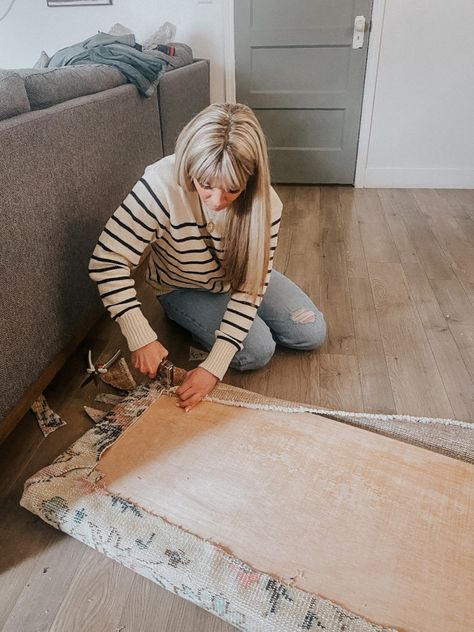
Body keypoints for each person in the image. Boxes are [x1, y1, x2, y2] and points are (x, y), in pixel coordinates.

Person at [89, 103, 326, 412]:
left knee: (311, 332)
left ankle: (228, 329)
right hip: (182, 287)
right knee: (257, 351)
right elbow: (107, 260)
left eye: (232, 191)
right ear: (190, 167)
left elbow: (250, 288)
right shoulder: (159, 186)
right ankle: (194, 320)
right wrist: (140, 335)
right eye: (205, 186)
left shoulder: (267, 204)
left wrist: (212, 369)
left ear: (250, 180)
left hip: (238, 278)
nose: (216, 202)